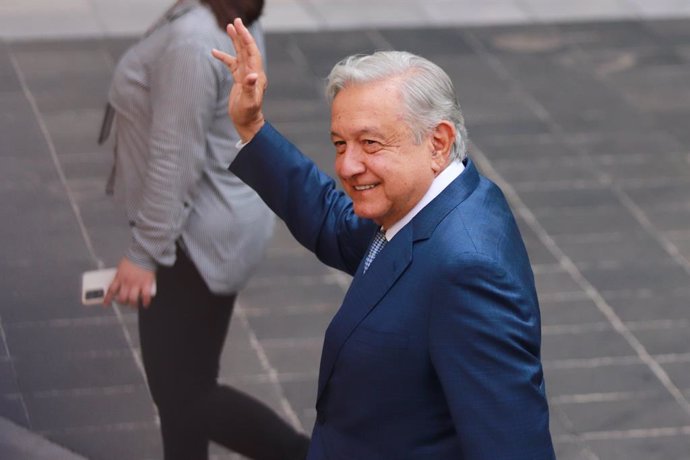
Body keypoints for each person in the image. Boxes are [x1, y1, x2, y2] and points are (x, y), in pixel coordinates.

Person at [212, 18, 556, 459]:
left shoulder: (467, 270)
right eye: (339, 143)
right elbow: (337, 227)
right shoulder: (435, 199)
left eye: (370, 143)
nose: (347, 165)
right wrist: (252, 126)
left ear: (438, 142)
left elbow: (512, 447)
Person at [101, 3, 310, 459]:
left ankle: (307, 454)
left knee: (184, 395)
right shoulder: (229, 13)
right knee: (188, 388)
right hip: (224, 221)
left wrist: (143, 253)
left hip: (193, 240)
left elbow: (176, 160)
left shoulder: (195, 41)